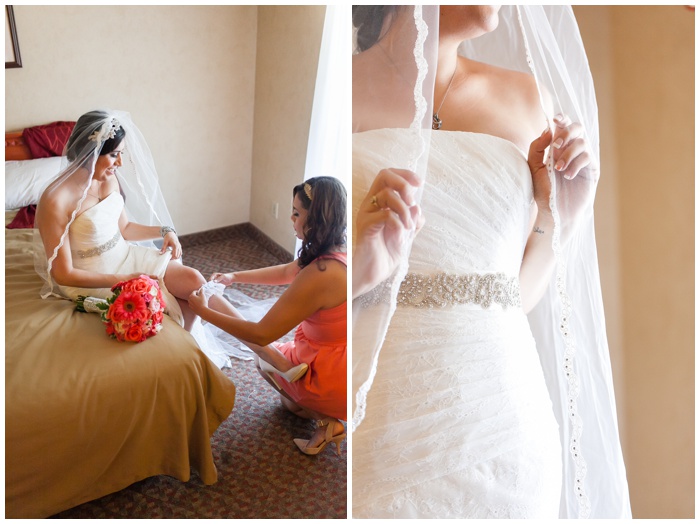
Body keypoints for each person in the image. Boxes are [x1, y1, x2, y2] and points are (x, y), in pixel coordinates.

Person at [351, 5, 630, 519]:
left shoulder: (528, 102)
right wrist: (359, 277)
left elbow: (512, 299)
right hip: (387, 429)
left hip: (509, 431)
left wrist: (556, 215)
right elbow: (311, 280)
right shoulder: (337, 95)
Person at [34, 109, 299, 371]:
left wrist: (164, 231)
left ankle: (265, 350)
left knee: (195, 281)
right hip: (91, 276)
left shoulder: (109, 178)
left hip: (125, 255)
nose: (120, 163)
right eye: (114, 155)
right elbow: (64, 274)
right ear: (90, 152)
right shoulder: (56, 199)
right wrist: (126, 280)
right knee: (182, 300)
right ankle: (197, 344)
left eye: (121, 154)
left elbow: (124, 229)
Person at [188, 176, 347, 455]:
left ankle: (327, 415)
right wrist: (234, 276)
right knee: (289, 404)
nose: (291, 218)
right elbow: (288, 271)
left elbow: (262, 334)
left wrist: (204, 312)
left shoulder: (321, 274)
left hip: (333, 371)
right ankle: (326, 419)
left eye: (297, 213)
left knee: (264, 365)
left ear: (316, 219)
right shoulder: (336, 251)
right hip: (338, 353)